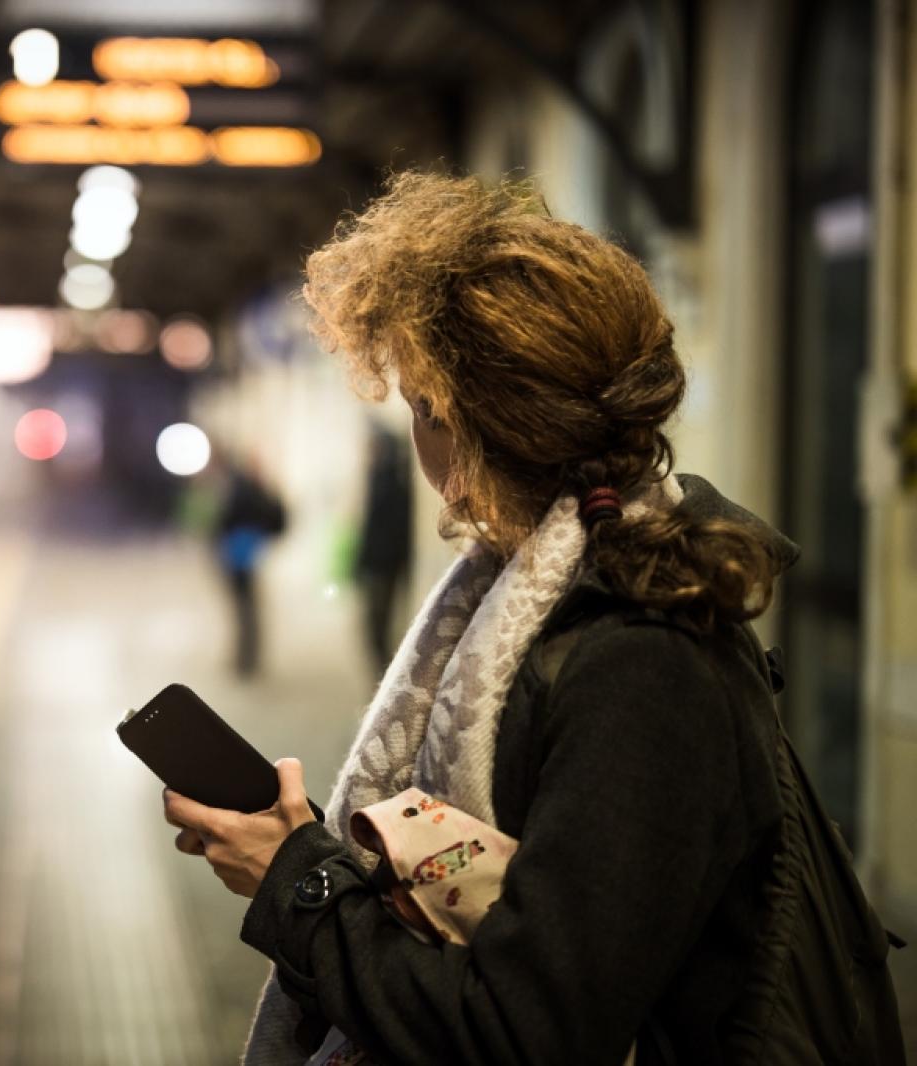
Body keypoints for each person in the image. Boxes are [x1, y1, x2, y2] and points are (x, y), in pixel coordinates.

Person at [160, 173, 903, 1064]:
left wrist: (298, 883)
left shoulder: (640, 666)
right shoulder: (539, 607)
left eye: (420, 411)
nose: (419, 442)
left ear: (468, 432)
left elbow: (522, 1030)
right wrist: (318, 854)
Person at [215, 457, 287, 677]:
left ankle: (246, 659)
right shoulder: (254, 489)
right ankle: (247, 657)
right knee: (246, 608)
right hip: (244, 553)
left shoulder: (244, 490)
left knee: (245, 609)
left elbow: (228, 518)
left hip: (239, 554)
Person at [352, 430, 411, 675]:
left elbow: (379, 528)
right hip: (381, 563)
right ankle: (382, 674)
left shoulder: (388, 481)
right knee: (376, 626)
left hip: (383, 565)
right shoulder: (383, 478)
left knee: (378, 626)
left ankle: (384, 675)